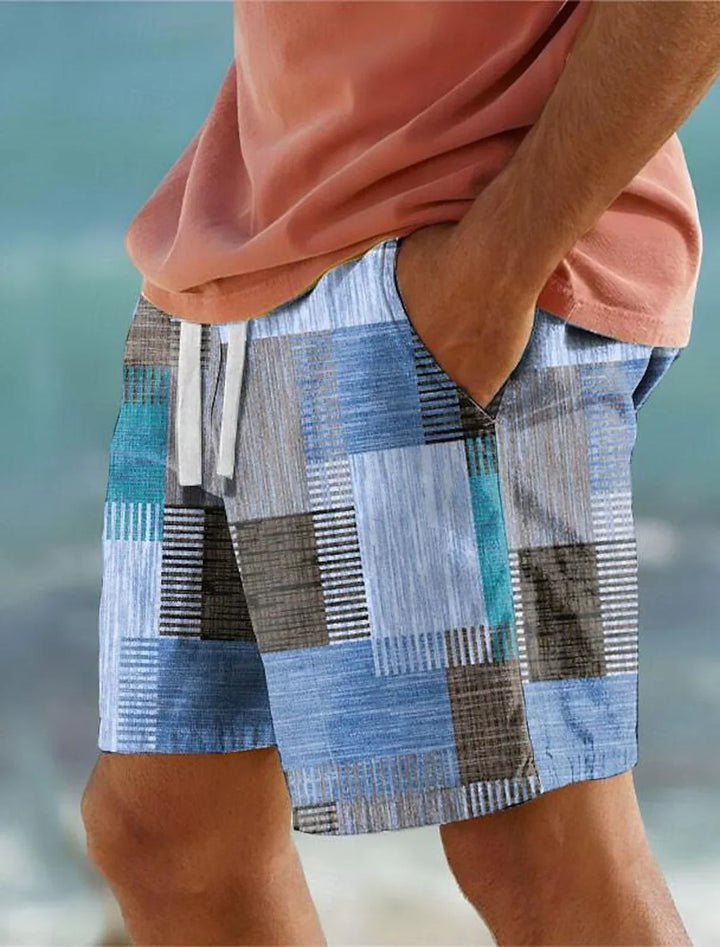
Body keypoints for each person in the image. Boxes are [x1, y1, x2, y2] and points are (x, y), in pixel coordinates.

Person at [80, 2, 720, 944]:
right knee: (166, 830)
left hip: (456, 230)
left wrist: (499, 267)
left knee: (536, 845)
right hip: (234, 250)